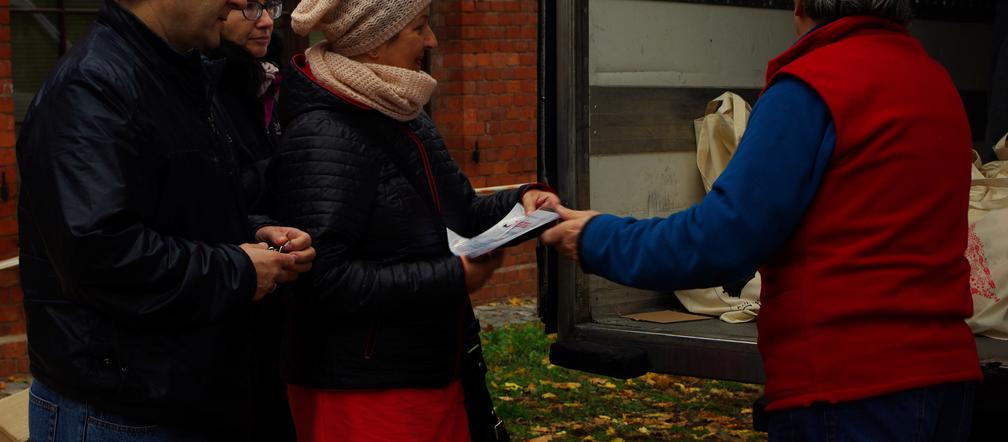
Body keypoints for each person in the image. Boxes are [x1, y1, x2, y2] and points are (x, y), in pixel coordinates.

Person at [542, 0, 982, 440]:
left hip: (846, 388)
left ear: (800, 4)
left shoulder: (813, 86)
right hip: (944, 380)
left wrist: (595, 237)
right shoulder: (933, 80)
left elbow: (722, 240)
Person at [16, 0, 315, 440]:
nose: (239, 5)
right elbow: (101, 256)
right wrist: (240, 268)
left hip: (172, 396)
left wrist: (250, 231)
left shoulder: (174, 74)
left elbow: (173, 206)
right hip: (118, 411)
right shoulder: (92, 86)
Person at [273, 0, 558, 440]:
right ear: (372, 46)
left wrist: (523, 202)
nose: (432, 41)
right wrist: (451, 276)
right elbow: (323, 280)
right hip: (364, 392)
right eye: (419, 28)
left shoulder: (404, 112)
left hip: (428, 368)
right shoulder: (324, 134)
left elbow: (459, 211)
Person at [211, 1, 296, 440]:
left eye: (268, 5)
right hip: (236, 294)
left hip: (274, 280)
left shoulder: (269, 81)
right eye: (247, 8)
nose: (266, 20)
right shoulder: (209, 90)